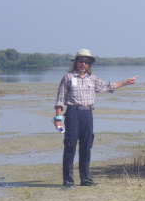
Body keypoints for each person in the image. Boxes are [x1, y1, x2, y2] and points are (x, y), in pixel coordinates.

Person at [54, 49, 137, 188]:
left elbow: (108, 86)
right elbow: (60, 99)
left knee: (86, 146)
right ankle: (68, 181)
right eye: (81, 61)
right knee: (70, 146)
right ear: (76, 62)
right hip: (73, 113)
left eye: (87, 62)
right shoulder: (68, 77)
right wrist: (57, 118)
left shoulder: (91, 78)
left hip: (87, 113)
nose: (84, 64)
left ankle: (86, 179)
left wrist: (125, 82)